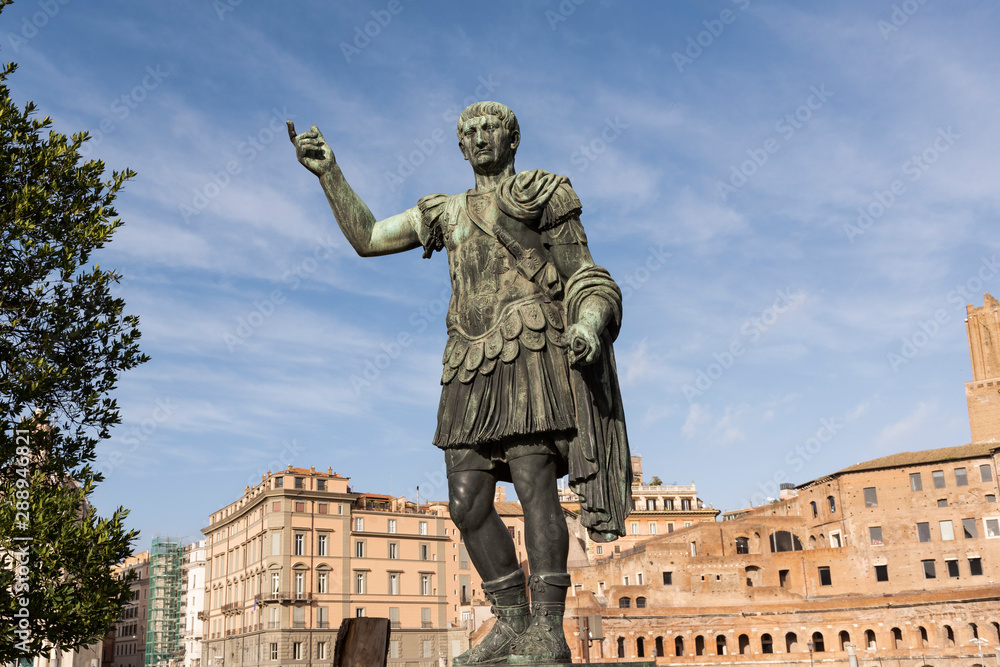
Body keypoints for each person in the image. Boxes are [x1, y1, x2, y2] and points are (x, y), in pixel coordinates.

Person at [290, 101, 631, 664]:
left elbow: (586, 275)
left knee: (533, 483)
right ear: (459, 145)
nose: (478, 138)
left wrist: (590, 325)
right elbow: (370, 236)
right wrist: (331, 175)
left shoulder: (543, 193)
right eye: (467, 132)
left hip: (530, 344)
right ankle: (512, 619)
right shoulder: (445, 211)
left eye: (489, 128)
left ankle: (547, 628)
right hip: (467, 362)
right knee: (465, 501)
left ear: (512, 138)